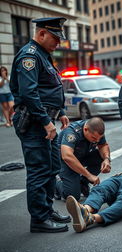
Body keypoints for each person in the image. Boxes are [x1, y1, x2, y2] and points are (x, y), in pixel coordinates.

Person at [10, 17, 71, 233]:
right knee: (39, 170)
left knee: (52, 167)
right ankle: (39, 220)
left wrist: (61, 112)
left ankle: (47, 210)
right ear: (42, 34)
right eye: (55, 37)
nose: (59, 42)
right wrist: (46, 121)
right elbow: (29, 93)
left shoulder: (43, 56)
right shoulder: (30, 55)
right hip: (35, 122)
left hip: (46, 120)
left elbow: (49, 88)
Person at [55, 117, 111, 201]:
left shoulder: (96, 132)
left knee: (101, 157)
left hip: (81, 156)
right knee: (72, 196)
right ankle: (56, 181)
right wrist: (89, 175)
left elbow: (103, 145)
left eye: (99, 138)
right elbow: (67, 156)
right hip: (65, 161)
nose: (96, 141)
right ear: (85, 129)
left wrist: (106, 159)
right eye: (94, 138)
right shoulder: (72, 132)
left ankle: (83, 183)